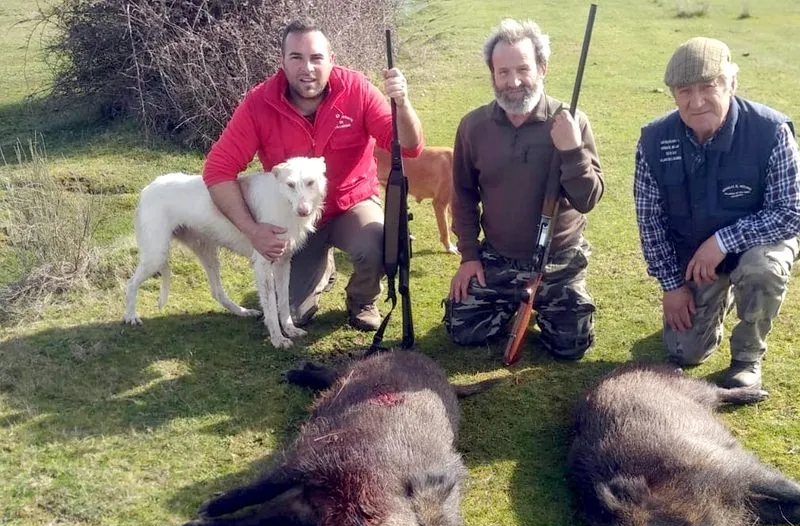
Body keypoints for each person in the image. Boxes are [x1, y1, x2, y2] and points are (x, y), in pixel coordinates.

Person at [202, 19, 424, 332]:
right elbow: (217, 170)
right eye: (296, 58)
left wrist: (402, 103)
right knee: (294, 312)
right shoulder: (258, 103)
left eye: (317, 58)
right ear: (282, 61)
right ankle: (321, 268)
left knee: (378, 243)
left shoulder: (357, 89)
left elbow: (410, 146)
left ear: (331, 59)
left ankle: (362, 299)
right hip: (295, 215)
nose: (307, 68)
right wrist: (252, 229)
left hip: (351, 203)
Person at [634, 37, 800, 389]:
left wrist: (723, 241)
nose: (696, 101)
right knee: (684, 353)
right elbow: (649, 222)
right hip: (697, 257)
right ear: (672, 94)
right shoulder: (654, 140)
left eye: (708, 86)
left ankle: (748, 356)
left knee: (761, 270)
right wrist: (672, 286)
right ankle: (716, 299)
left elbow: (794, 212)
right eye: (684, 90)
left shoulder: (770, 131)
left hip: (756, 248)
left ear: (732, 83)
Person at [444, 18, 604, 360]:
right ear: (492, 74)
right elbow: (463, 195)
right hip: (498, 257)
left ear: (542, 69)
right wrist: (470, 256)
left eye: (523, 69)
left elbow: (588, 198)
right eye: (502, 72)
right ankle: (521, 306)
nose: (513, 82)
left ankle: (542, 306)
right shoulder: (473, 126)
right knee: (461, 329)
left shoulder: (572, 122)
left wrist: (572, 151)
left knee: (571, 347)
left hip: (559, 259)